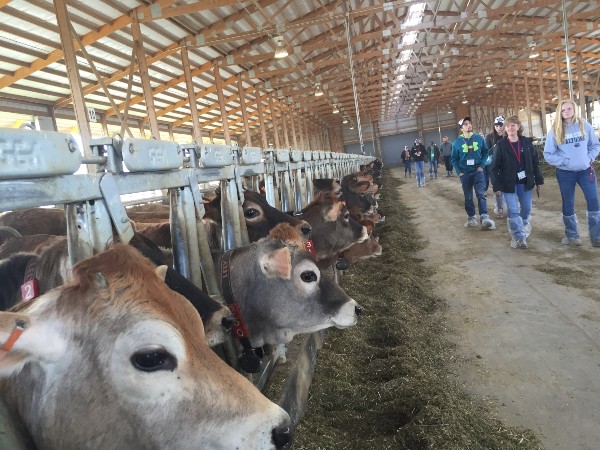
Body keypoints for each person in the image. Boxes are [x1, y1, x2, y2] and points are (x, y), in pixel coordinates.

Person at [544, 99, 600, 246]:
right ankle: (571, 236)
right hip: (565, 173)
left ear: (574, 109)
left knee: (593, 201)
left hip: (586, 171)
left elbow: (595, 145)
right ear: (559, 112)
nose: (566, 111)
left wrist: (589, 158)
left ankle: (596, 237)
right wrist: (564, 161)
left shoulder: (584, 125)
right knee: (568, 203)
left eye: (569, 108)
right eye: (563, 110)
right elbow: (548, 154)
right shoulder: (555, 129)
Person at [491, 116, 544, 249]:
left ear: (519, 127)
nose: (510, 128)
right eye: (508, 126)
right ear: (505, 129)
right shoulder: (501, 145)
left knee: (526, 209)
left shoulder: (526, 143)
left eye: (513, 125)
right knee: (513, 210)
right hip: (508, 183)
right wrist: (496, 186)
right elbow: (494, 168)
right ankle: (519, 237)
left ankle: (524, 225)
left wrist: (539, 180)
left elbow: (535, 163)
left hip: (525, 181)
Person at [451, 116, 495, 229]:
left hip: (478, 172)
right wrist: (459, 172)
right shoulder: (457, 143)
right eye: (465, 124)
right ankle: (471, 217)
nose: (469, 125)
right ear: (461, 129)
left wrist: (482, 166)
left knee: (481, 194)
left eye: (469, 123)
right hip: (465, 174)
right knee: (468, 196)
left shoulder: (479, 139)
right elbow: (454, 159)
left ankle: (484, 217)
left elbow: (485, 153)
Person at [485, 115, 507, 217]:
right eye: (497, 125)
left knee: (506, 185)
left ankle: (508, 207)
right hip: (493, 166)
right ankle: (499, 208)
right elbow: (485, 152)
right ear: (494, 126)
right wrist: (494, 147)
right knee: (497, 187)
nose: (499, 127)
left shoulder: (507, 136)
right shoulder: (489, 137)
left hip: (506, 165)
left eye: (500, 125)